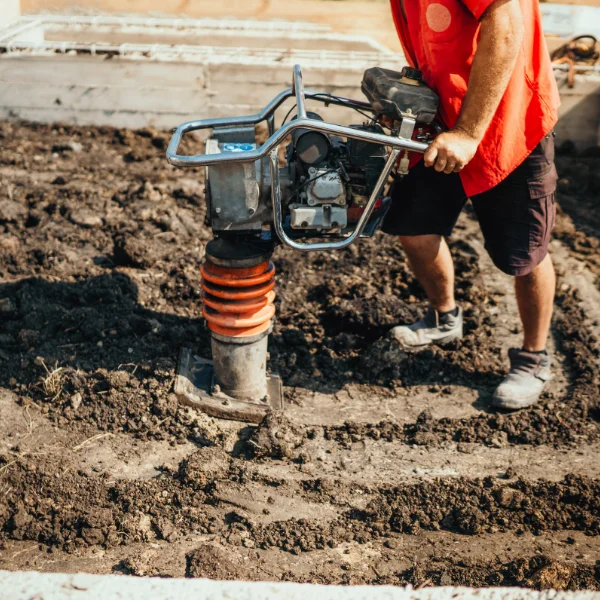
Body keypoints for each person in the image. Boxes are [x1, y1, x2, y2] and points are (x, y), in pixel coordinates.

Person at [383, 0, 560, 410]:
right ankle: (445, 319)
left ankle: (533, 357)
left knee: (524, 255)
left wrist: (468, 132)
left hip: (508, 121)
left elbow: (505, 23)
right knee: (414, 230)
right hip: (442, 115)